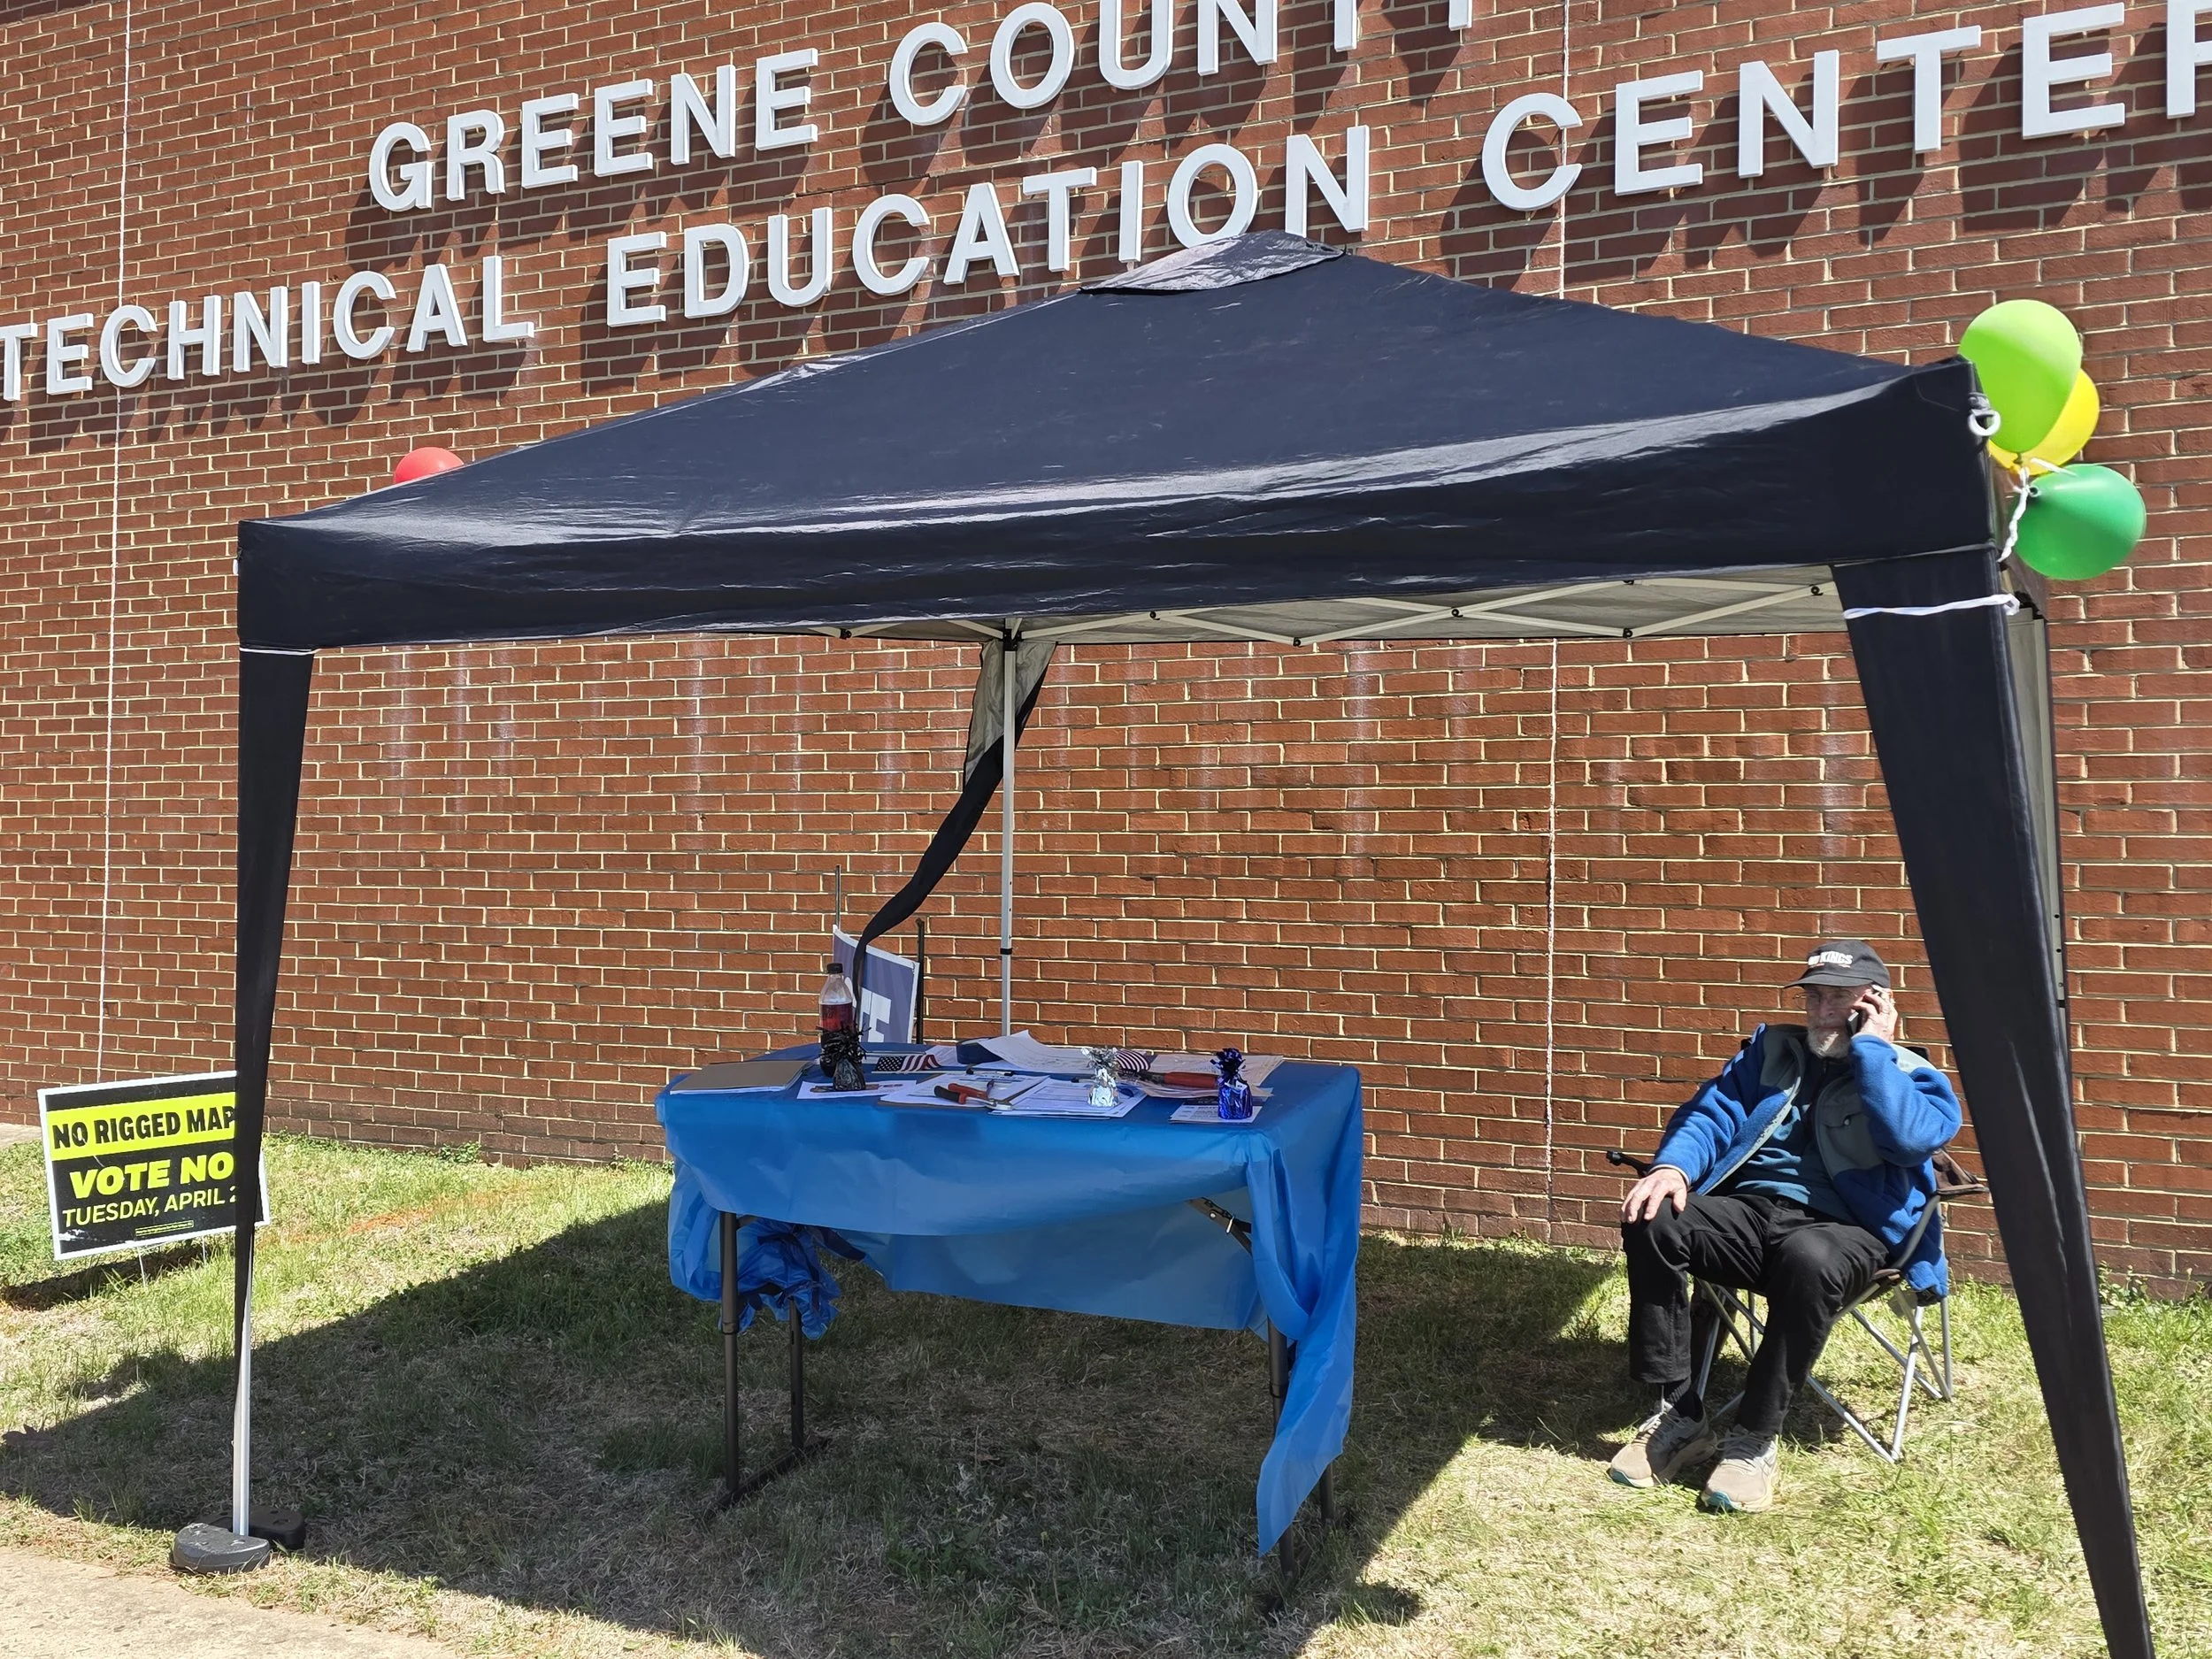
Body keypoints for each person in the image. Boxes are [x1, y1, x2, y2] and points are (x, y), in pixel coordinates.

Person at [1609, 939, 1961, 1512]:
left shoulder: (1914, 1075)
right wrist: (1672, 1167)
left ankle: (1753, 1442)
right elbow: (1711, 1112)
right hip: (1750, 1213)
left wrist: (1872, 1049)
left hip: (1847, 1231)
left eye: (1838, 998)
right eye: (1813, 996)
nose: (1821, 1010)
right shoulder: (1770, 1052)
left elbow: (1906, 1139)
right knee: (1656, 1216)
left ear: (1875, 1002)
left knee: (1810, 1258)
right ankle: (1678, 1412)